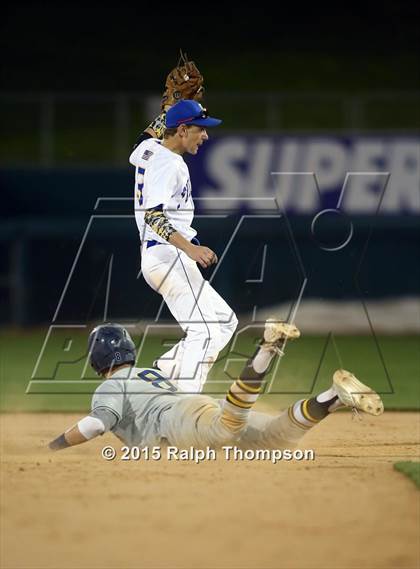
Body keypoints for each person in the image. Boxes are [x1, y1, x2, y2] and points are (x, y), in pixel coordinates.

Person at [48, 321, 384, 452]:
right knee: (276, 440)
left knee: (227, 428)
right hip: (193, 408)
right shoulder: (147, 373)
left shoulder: (110, 387)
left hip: (179, 422)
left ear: (96, 358)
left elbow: (94, 425)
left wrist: (55, 445)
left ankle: (266, 348)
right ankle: (334, 397)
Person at [129, 99, 238, 393]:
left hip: (166, 256)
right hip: (167, 255)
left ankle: (161, 375)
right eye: (200, 129)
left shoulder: (149, 151)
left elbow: (145, 137)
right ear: (181, 130)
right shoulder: (169, 164)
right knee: (203, 332)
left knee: (225, 322)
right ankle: (186, 407)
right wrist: (190, 248)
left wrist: (166, 110)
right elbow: (154, 215)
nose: (205, 136)